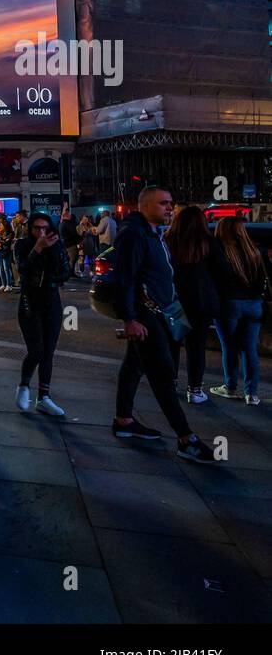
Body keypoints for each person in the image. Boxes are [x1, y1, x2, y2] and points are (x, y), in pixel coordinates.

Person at [111, 186, 220, 462]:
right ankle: (186, 439)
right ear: (145, 205)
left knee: (133, 366)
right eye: (163, 204)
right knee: (162, 373)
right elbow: (124, 279)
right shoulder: (134, 234)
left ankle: (123, 421)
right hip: (146, 314)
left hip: (158, 312)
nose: (170, 208)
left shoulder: (152, 232)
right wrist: (130, 319)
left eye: (171, 204)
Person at [13, 213, 70, 416]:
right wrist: (37, 249)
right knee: (36, 349)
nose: (41, 232)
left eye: (45, 228)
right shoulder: (22, 245)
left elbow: (66, 271)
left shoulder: (57, 245)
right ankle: (24, 385)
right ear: (30, 229)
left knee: (48, 351)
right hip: (30, 302)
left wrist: (52, 276)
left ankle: (44, 396)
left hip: (51, 301)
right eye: (36, 228)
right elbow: (22, 269)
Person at [163, 205, 221, 404]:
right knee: (196, 347)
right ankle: (195, 390)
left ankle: (170, 383)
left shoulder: (169, 241)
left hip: (175, 301)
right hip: (200, 302)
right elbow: (221, 271)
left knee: (173, 344)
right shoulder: (207, 242)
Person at [209, 216, 267, 405]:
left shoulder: (220, 250)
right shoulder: (254, 251)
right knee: (250, 348)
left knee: (230, 347)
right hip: (254, 304)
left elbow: (215, 277)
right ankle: (252, 393)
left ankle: (230, 386)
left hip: (230, 303)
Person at [0, 214, 17, 292]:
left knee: (6, 268)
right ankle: (3, 284)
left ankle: (9, 285)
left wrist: (1, 240)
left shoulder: (8, 228)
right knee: (0, 269)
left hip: (5, 250)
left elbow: (8, 239)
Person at [59, 207, 80, 274]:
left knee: (69, 259)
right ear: (67, 216)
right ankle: (71, 273)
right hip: (70, 244)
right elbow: (73, 233)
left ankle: (70, 273)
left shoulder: (61, 224)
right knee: (73, 258)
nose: (70, 216)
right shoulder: (68, 224)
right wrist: (79, 239)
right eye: (69, 214)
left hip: (65, 244)